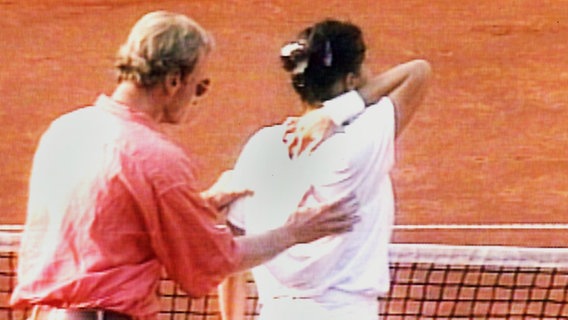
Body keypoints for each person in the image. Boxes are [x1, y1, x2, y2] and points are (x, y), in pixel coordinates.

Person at [9, 12, 361, 320]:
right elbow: (208, 264)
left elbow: (107, 223)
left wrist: (200, 204)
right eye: (200, 86)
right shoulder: (157, 160)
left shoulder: (65, 131)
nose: (197, 99)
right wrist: (294, 232)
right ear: (174, 81)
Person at [220, 19, 431, 320]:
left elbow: (230, 252)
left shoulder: (260, 148)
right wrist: (336, 112)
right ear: (350, 82)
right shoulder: (357, 144)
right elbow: (418, 72)